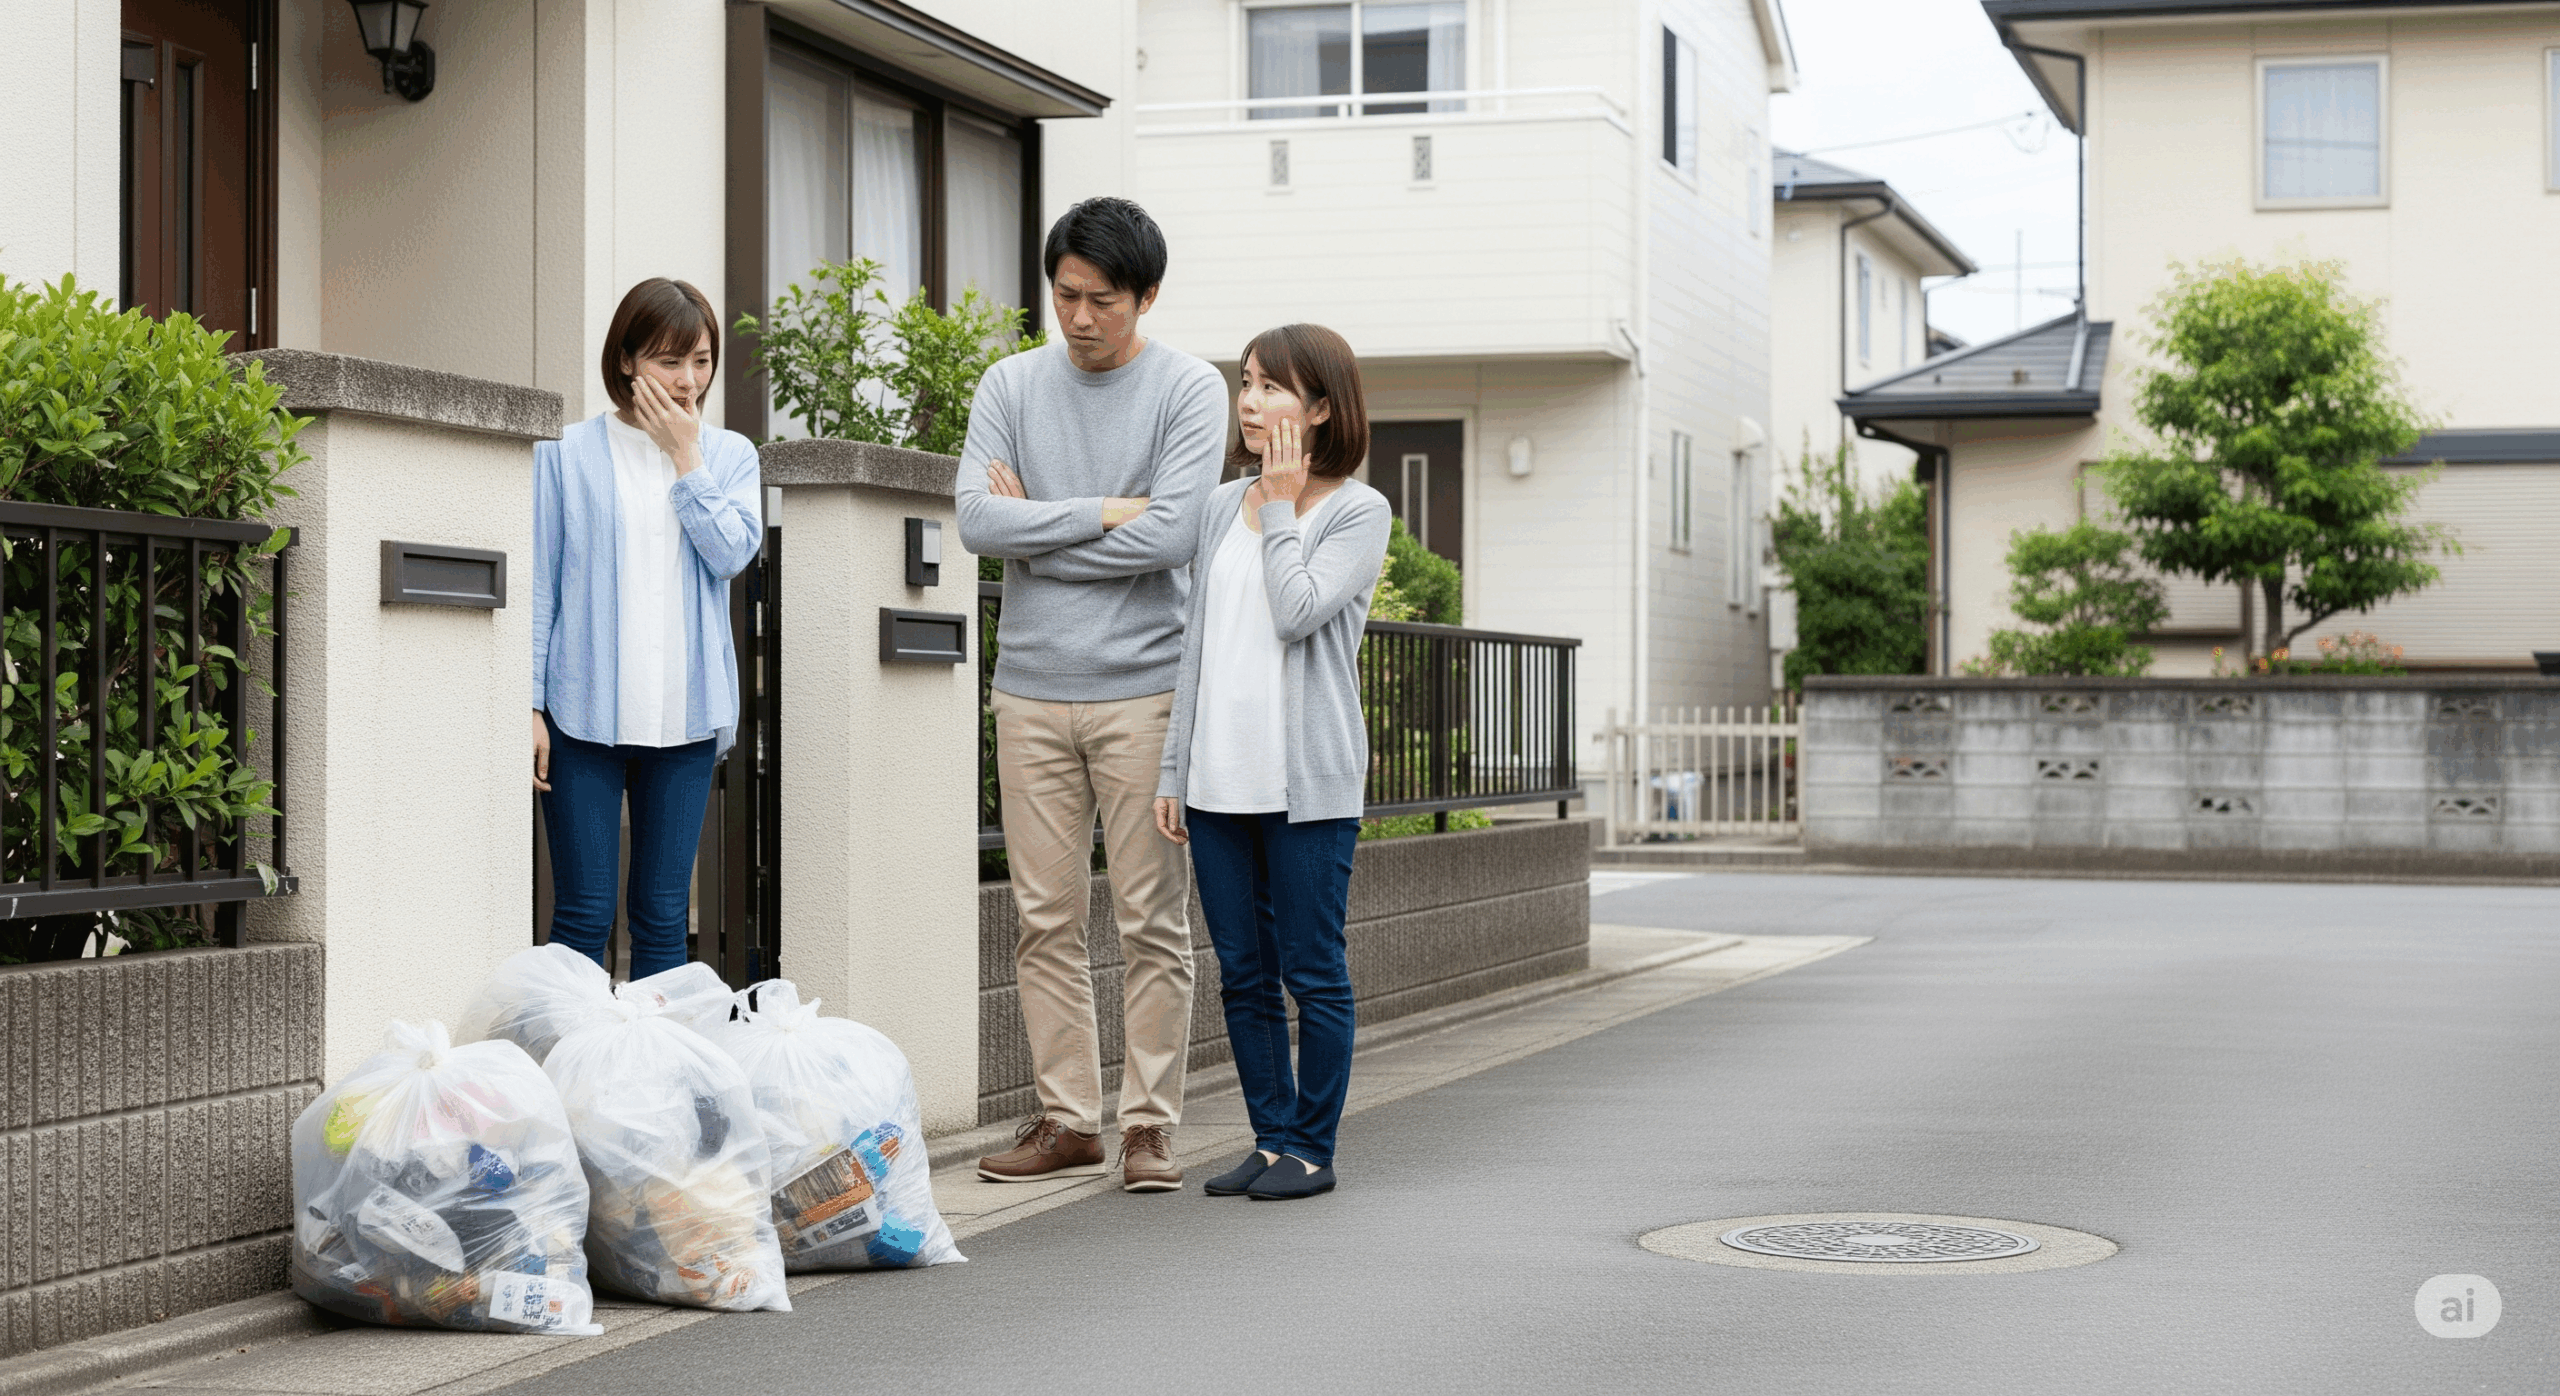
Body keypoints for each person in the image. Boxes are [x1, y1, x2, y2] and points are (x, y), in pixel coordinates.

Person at [957, 198, 1227, 1193]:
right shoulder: (1009, 382)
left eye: (1100, 300)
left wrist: (1043, 523)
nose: (1077, 317)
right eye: (1064, 295)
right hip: (1028, 690)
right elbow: (978, 523)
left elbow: (1172, 537)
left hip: (1144, 689)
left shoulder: (1189, 389)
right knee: (1043, 917)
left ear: (1144, 297)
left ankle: (1148, 1125)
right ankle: (1068, 1119)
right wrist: (1098, 513)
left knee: (1151, 918)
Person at [1153, 325, 1391, 1201]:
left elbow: (1296, 612)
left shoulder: (1359, 512)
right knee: (1245, 975)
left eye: (1271, 388)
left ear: (1321, 407)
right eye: (1245, 384)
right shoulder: (1222, 505)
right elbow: (1196, 647)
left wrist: (1285, 502)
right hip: (1218, 777)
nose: (1250, 404)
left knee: (1312, 968)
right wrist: (1174, 770)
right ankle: (1269, 1136)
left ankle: (1312, 1149)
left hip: (1307, 785)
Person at [530, 278, 764, 981]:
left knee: (663, 917)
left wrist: (685, 457)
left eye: (701, 360)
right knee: (582, 915)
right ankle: (570, 1082)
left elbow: (731, 555)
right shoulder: (565, 453)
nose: (689, 380)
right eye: (669, 360)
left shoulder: (728, 456)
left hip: (686, 721)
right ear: (627, 360)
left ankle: (658, 1086)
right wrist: (530, 704)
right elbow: (542, 582)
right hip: (582, 718)